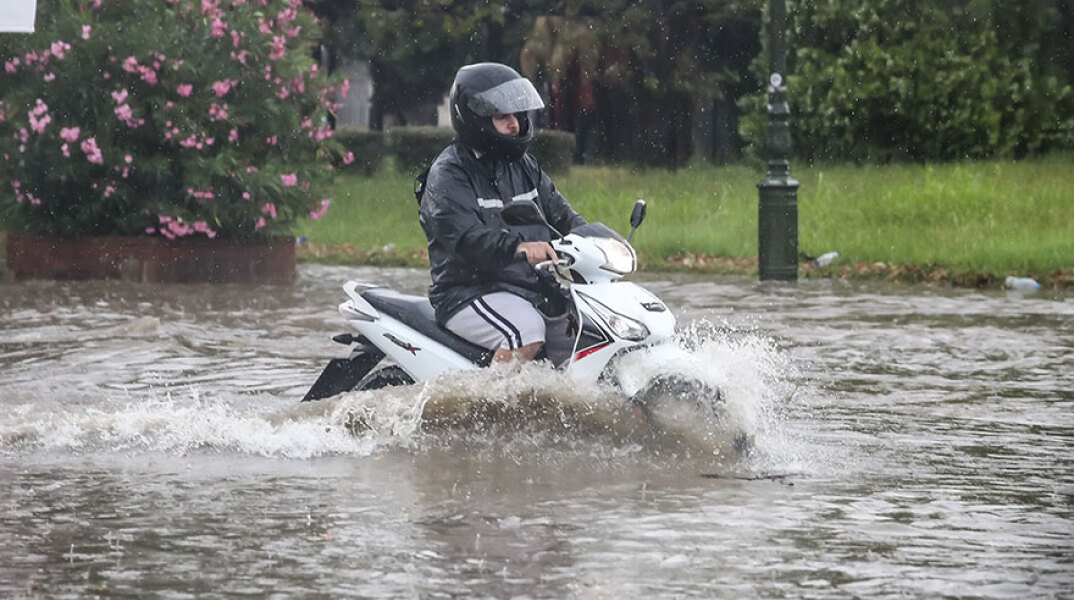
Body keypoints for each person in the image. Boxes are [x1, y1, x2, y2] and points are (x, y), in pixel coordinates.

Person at [418, 62, 587, 364]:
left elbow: (562, 216)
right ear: (474, 119)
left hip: (529, 287)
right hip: (467, 292)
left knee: (582, 330)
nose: (515, 124)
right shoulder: (449, 173)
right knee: (525, 333)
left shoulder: (524, 166)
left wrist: (595, 241)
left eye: (517, 116)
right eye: (502, 117)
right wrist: (519, 247)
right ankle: (494, 408)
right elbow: (465, 238)